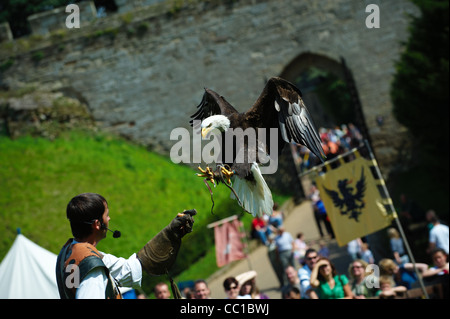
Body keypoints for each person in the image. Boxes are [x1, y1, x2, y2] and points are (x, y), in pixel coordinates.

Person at [55, 193, 196, 299]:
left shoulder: (70, 252)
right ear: (98, 224)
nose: (109, 219)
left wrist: (170, 234)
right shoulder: (92, 269)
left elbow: (128, 270)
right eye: (107, 215)